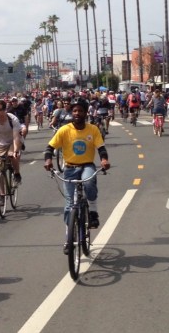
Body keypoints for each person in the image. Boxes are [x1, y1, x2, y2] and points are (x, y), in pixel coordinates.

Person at [43, 99, 110, 254]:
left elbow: (101, 147)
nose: (77, 113)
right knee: (69, 207)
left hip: (87, 165)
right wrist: (48, 160)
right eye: (74, 111)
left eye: (80, 111)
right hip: (70, 168)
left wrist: (104, 160)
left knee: (88, 184)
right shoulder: (64, 130)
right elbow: (50, 147)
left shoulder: (93, 129)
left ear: (86, 113)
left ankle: (92, 211)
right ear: (71, 113)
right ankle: (68, 239)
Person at [0, 99, 23, 186]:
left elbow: (16, 137)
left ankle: (17, 173)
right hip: (1, 144)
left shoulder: (13, 119)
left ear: (5, 110)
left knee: (13, 156)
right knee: (1, 170)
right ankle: (2, 195)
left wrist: (15, 151)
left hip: (14, 141)